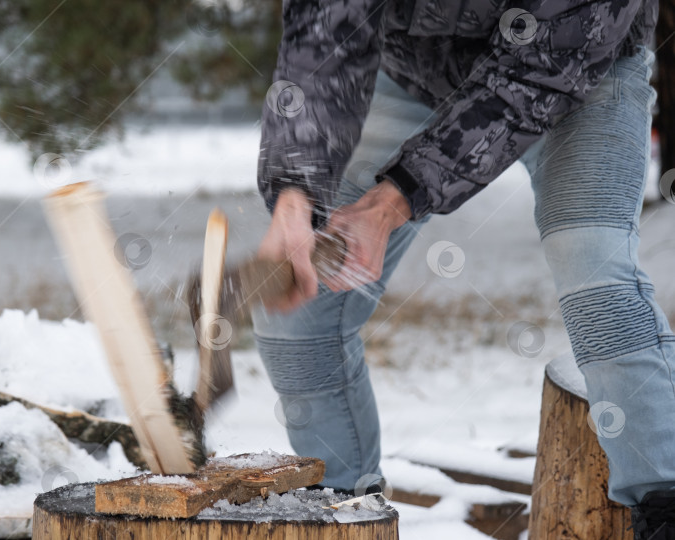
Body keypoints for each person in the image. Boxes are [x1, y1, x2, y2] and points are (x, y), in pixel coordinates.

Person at [251, 0, 673, 537]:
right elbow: (324, 32)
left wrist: (393, 199)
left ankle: (665, 505)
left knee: (593, 265)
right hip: (413, 75)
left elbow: (542, 71)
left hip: (583, 71)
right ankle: (343, 514)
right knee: (300, 315)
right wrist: (297, 191)